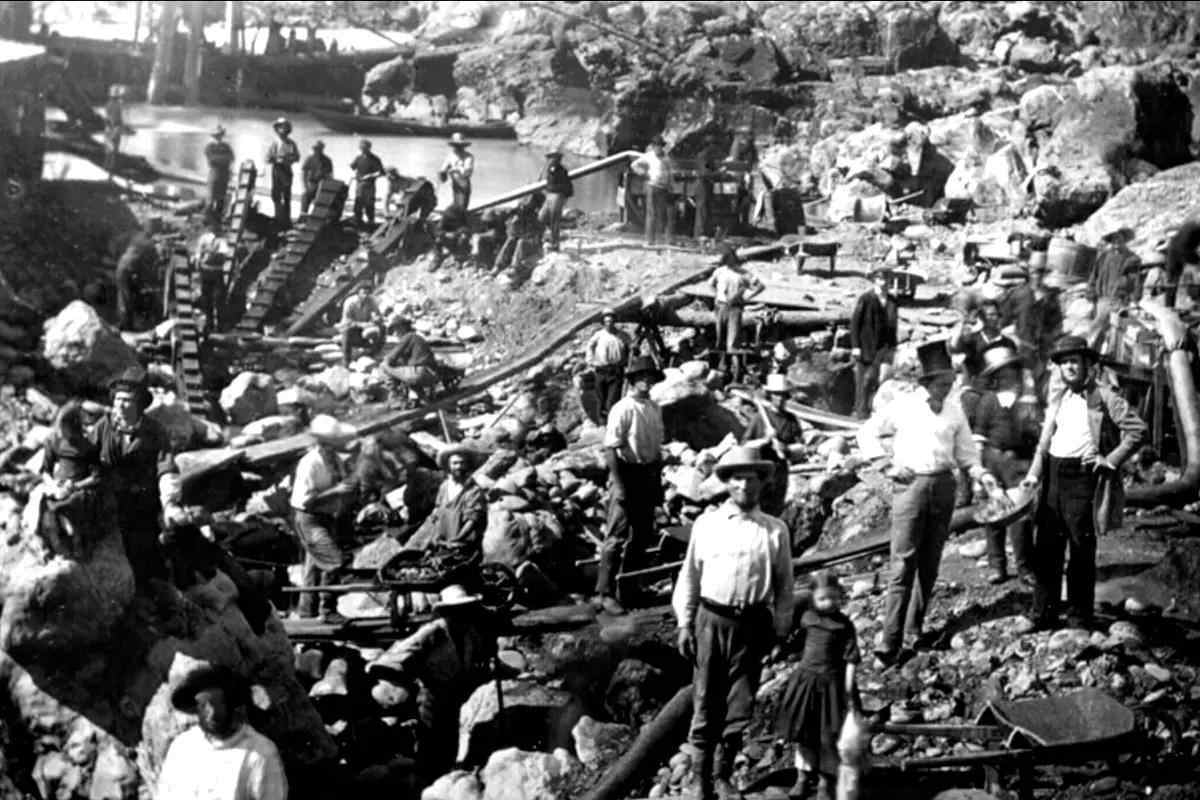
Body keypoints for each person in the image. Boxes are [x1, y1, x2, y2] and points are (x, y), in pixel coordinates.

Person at [856, 341, 1003, 666]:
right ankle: (889, 642)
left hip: (944, 486)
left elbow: (966, 453)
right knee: (902, 564)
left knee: (930, 563)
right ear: (926, 382)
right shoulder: (905, 406)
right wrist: (885, 464)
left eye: (950, 381)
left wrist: (982, 475)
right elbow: (866, 432)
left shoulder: (953, 410)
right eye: (941, 382)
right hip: (911, 486)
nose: (947, 387)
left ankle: (914, 631)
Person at [673, 445, 794, 800]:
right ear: (726, 482)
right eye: (737, 478)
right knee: (705, 698)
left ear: (762, 483)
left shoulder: (774, 530)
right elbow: (690, 577)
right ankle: (699, 779)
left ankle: (722, 775)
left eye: (751, 479)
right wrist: (684, 623)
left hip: (753, 625)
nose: (744, 486)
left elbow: (785, 586)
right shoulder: (707, 525)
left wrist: (781, 631)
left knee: (740, 702)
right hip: (711, 620)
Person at [1021, 335, 1146, 630]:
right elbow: (1044, 443)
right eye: (1064, 363)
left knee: (1080, 548)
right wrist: (1033, 476)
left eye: (1074, 361)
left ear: (1087, 364)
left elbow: (1137, 430)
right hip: (1053, 475)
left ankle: (1079, 618)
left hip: (1082, 478)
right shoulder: (1060, 397)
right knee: (1047, 547)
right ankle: (1043, 614)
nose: (1069, 367)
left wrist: (1110, 460)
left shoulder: (1104, 396)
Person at [365, 585, 497, 777]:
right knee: (432, 741)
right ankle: (426, 782)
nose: (461, 614)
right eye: (456, 610)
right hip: (433, 693)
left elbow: (483, 656)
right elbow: (400, 652)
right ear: (447, 611)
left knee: (454, 740)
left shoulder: (471, 630)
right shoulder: (433, 631)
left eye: (465, 609)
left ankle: (447, 777)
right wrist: (399, 677)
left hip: (460, 691)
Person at [773, 572, 862, 800]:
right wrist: (780, 650)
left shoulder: (844, 625)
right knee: (803, 731)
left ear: (840, 596)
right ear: (813, 598)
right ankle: (802, 776)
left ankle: (825, 780)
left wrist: (848, 688)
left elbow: (852, 658)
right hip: (805, 682)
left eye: (833, 597)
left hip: (832, 684)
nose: (828, 603)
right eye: (822, 598)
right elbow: (794, 644)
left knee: (827, 735)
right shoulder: (807, 618)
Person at [92, 368, 179, 586]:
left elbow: (166, 468)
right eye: (118, 400)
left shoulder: (155, 431)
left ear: (139, 404)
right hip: (109, 505)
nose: (120, 406)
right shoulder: (104, 426)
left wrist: (169, 503)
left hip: (142, 507)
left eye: (127, 401)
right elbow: (86, 456)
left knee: (146, 560)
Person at [593, 356, 665, 615]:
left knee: (642, 534)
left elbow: (656, 448)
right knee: (616, 536)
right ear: (632, 380)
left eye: (650, 377)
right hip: (627, 473)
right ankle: (604, 593)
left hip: (647, 474)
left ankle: (630, 588)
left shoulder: (654, 408)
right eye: (641, 377)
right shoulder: (622, 408)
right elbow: (611, 449)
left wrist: (657, 481)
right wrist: (620, 485)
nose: (646, 382)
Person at [158, 664, 288, 800]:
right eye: (203, 705)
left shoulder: (260, 753)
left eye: (218, 704)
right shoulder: (182, 747)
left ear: (232, 705)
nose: (212, 713)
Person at [970, 344, 1040, 585]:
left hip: (1018, 461)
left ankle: (1025, 567)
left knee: (1021, 515)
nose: (1006, 377)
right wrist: (979, 474)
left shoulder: (1026, 400)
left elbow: (1035, 434)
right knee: (994, 513)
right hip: (993, 459)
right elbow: (979, 437)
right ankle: (997, 565)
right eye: (1000, 373)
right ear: (994, 377)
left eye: (1010, 371)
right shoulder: (987, 401)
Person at [290, 415, 358, 623]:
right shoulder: (310, 463)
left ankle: (307, 612)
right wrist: (336, 491)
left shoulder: (335, 460)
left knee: (314, 566)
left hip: (327, 516)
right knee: (332, 560)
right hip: (309, 517)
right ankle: (328, 610)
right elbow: (307, 501)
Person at [35, 401, 102, 558]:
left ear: (75, 425)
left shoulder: (87, 445)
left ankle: (77, 544)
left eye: (65, 427)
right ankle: (54, 544)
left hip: (80, 487)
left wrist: (74, 486)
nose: (62, 431)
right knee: (47, 503)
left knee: (74, 503)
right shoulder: (54, 440)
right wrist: (53, 484)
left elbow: (96, 476)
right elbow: (45, 471)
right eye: (60, 427)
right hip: (58, 486)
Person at [407, 445, 487, 557]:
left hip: (463, 545)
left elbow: (472, 520)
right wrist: (433, 536)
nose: (459, 466)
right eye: (455, 463)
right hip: (442, 542)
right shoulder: (444, 487)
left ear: (468, 465)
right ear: (449, 466)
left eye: (462, 463)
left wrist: (457, 540)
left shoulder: (473, 490)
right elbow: (437, 512)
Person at [742, 373, 802, 518]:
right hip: (761, 472)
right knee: (758, 511)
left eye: (783, 395)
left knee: (775, 512)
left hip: (780, 473)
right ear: (770, 396)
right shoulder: (759, 419)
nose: (780, 399)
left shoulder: (791, 420)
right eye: (777, 395)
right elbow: (744, 446)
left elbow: (801, 448)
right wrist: (765, 440)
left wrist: (787, 449)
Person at [849, 267, 898, 419]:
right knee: (863, 382)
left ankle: (873, 414)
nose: (883, 283)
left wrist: (893, 347)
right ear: (875, 281)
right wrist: (855, 346)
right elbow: (855, 323)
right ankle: (860, 413)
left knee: (878, 381)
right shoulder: (866, 299)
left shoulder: (892, 300)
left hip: (883, 347)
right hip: (866, 346)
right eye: (880, 279)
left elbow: (893, 325)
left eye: (886, 280)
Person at [708, 244, 764, 355]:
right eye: (726, 259)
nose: (728, 261)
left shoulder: (743, 273)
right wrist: (716, 295)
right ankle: (719, 358)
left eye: (730, 258)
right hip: (720, 306)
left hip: (735, 308)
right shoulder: (719, 271)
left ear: (734, 258)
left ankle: (734, 359)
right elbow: (711, 284)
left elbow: (760, 286)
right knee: (719, 338)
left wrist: (748, 297)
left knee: (732, 341)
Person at [949, 299, 1016, 391]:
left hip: (1000, 389)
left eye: (997, 315)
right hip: (975, 388)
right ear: (982, 318)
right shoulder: (972, 339)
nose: (995, 318)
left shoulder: (1008, 343)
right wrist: (961, 326)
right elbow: (954, 350)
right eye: (990, 315)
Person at [585, 309, 631, 420]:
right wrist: (591, 361)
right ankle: (602, 422)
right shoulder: (599, 335)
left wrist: (630, 357)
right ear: (603, 323)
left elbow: (631, 347)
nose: (609, 324)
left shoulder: (622, 335)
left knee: (612, 400)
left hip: (616, 370)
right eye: (606, 322)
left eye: (611, 321)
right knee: (601, 399)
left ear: (614, 321)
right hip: (601, 370)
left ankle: (613, 421)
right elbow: (590, 346)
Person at [382, 316, 441, 401]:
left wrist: (387, 359)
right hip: (431, 373)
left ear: (401, 328)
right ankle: (423, 398)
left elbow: (390, 359)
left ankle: (395, 394)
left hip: (420, 373)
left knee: (384, 365)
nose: (395, 333)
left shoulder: (408, 337)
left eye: (396, 330)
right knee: (407, 372)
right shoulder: (416, 337)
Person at [631, 135, 673, 246]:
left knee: (662, 214)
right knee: (651, 213)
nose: (658, 148)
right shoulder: (649, 156)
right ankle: (649, 239)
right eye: (656, 146)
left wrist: (671, 185)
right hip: (652, 186)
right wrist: (643, 173)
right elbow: (634, 165)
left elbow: (670, 172)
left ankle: (661, 239)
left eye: (660, 146)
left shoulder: (666, 158)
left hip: (663, 187)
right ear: (653, 147)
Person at [1089, 226, 1139, 313]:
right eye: (1114, 238)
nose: (1116, 240)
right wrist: (1090, 292)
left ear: (1125, 239)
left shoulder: (1132, 259)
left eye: (1119, 237)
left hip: (1119, 302)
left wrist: (1131, 299)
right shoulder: (1104, 256)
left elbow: (1134, 282)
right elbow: (1094, 275)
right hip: (1101, 300)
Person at [115, 231, 158, 330]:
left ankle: (126, 322)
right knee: (126, 298)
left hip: (124, 271)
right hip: (124, 273)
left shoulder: (138, 243)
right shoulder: (140, 248)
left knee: (125, 297)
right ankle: (125, 324)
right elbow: (142, 271)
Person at [196, 221, 231, 332]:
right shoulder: (203, 238)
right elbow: (198, 254)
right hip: (206, 271)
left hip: (216, 272)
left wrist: (208, 252)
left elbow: (222, 255)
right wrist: (199, 259)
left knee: (219, 299)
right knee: (206, 299)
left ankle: (220, 325)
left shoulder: (221, 240)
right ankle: (209, 324)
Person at [339, 283, 384, 364]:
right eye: (364, 293)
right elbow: (347, 321)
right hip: (352, 327)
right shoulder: (350, 302)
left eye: (368, 293)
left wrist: (377, 318)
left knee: (382, 328)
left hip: (365, 327)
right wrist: (361, 325)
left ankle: (375, 352)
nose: (365, 295)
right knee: (346, 331)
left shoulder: (371, 300)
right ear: (358, 293)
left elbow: (377, 314)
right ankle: (346, 360)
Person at [266, 117, 300, 227]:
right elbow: (267, 158)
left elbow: (297, 157)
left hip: (286, 170)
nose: (282, 130)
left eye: (284, 127)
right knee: (275, 195)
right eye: (280, 127)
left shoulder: (291, 143)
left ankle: (286, 219)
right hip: (277, 169)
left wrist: (288, 159)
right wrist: (276, 159)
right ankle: (278, 217)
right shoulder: (275, 143)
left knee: (286, 195)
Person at [539, 148, 572, 251]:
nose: (550, 160)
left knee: (554, 219)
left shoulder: (561, 170)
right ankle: (543, 238)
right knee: (542, 217)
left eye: (552, 157)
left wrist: (563, 198)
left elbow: (567, 186)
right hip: (549, 195)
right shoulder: (549, 169)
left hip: (557, 196)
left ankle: (555, 244)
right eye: (549, 158)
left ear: (558, 159)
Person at [1164, 218, 1200, 308]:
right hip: (1184, 250)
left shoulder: (1190, 224)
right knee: (1193, 275)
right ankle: (1195, 299)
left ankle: (1169, 306)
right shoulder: (1194, 227)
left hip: (1173, 250)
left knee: (1172, 280)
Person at [350, 139, 385, 227]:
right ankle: (358, 221)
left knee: (369, 204)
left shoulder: (375, 159)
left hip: (369, 185)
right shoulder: (358, 157)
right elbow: (353, 167)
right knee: (358, 203)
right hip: (359, 184)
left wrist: (370, 175)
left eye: (364, 148)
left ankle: (370, 222)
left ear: (369, 148)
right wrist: (353, 169)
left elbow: (381, 173)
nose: (363, 149)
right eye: (361, 148)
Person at [204, 126, 235, 222]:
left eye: (220, 135)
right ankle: (208, 216)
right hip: (215, 172)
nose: (218, 137)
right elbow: (211, 160)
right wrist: (223, 159)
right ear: (214, 136)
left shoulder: (226, 146)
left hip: (224, 173)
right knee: (211, 194)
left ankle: (218, 217)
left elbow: (232, 158)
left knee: (222, 195)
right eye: (217, 135)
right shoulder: (210, 146)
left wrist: (221, 159)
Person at [693, 133, 720, 239]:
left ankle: (706, 234)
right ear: (709, 145)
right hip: (702, 185)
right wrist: (718, 173)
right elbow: (704, 173)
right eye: (714, 144)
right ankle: (699, 234)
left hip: (707, 185)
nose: (715, 147)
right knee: (702, 210)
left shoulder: (709, 157)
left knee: (707, 210)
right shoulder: (703, 156)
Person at [439, 133, 474, 211]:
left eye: (460, 145)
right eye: (456, 145)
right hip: (455, 184)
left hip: (464, 185)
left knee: (461, 206)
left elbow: (467, 172)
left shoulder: (468, 156)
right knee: (457, 205)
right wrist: (442, 173)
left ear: (463, 146)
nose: (458, 147)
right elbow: (443, 172)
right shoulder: (450, 156)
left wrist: (456, 169)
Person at [300, 140, 333, 215]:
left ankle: (318, 216)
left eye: (318, 149)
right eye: (315, 149)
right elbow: (304, 174)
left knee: (324, 199)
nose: (316, 150)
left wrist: (327, 187)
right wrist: (305, 186)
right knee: (305, 196)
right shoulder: (309, 159)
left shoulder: (327, 160)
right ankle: (303, 215)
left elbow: (330, 176)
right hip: (312, 184)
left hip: (323, 185)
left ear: (322, 149)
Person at [103, 84, 125, 178]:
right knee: (114, 150)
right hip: (116, 128)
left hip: (108, 128)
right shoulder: (119, 105)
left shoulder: (108, 104)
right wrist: (122, 127)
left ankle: (105, 168)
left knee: (108, 149)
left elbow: (107, 118)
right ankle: (111, 172)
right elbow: (119, 119)